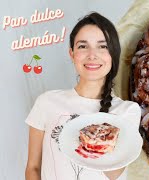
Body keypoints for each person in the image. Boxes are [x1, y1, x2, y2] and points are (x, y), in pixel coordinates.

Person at [25, 12, 141, 180]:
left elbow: (114, 173)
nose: (92, 54)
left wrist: (96, 135)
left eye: (103, 46)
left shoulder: (127, 111)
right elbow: (32, 168)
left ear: (113, 54)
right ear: (72, 54)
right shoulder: (47, 102)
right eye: (82, 46)